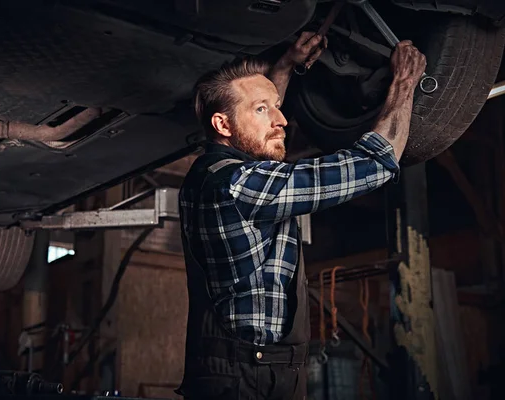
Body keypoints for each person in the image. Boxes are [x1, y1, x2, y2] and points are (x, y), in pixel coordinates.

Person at [176, 31, 426, 400]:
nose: (282, 120)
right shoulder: (240, 183)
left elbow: (256, 133)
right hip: (248, 378)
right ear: (222, 125)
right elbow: (373, 163)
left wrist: (285, 67)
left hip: (249, 369)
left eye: (276, 106)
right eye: (263, 109)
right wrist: (404, 84)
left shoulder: (216, 170)